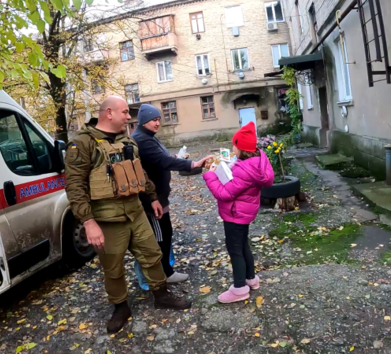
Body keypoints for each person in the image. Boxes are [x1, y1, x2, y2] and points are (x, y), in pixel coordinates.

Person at [65, 96, 191, 334]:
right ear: (109, 113)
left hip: (136, 212)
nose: (128, 117)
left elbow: (139, 173)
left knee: (153, 255)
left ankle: (161, 295)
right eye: (124, 112)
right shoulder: (82, 144)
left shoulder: (127, 140)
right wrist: (89, 222)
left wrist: (153, 197)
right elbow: (75, 187)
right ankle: (120, 307)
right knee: (113, 267)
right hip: (107, 219)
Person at [131, 104, 213, 286]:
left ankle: (163, 271)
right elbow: (162, 160)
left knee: (165, 233)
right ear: (144, 120)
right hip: (151, 201)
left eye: (159, 119)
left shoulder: (149, 137)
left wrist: (177, 157)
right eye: (154, 119)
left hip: (159, 197)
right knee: (159, 237)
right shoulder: (141, 139)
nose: (157, 123)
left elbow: (161, 157)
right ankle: (162, 275)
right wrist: (193, 164)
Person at [202, 122, 274, 303]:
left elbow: (224, 193)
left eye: (234, 144)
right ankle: (251, 279)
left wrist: (210, 175)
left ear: (240, 148)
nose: (232, 147)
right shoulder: (256, 161)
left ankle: (240, 288)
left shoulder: (244, 170)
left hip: (235, 214)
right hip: (244, 213)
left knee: (235, 249)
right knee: (243, 245)